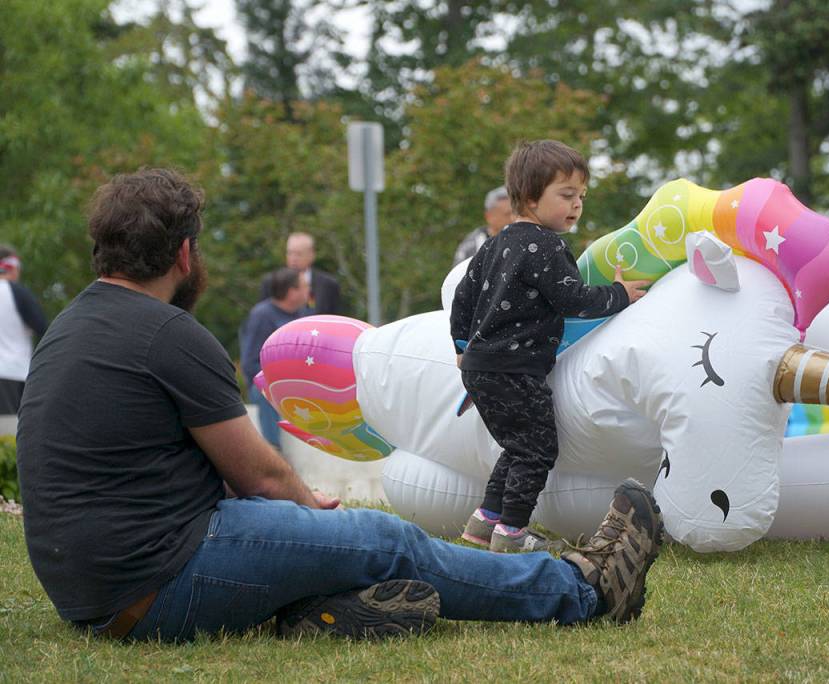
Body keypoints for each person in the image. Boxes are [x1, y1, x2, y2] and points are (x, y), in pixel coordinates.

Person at [16, 167, 664, 644]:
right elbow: (260, 476)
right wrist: (312, 506)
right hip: (158, 583)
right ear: (185, 253)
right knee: (382, 538)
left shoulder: (68, 330)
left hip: (94, 594)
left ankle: (330, 612)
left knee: (326, 544)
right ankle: (582, 590)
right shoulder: (169, 334)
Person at [450, 141, 651, 553]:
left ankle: (485, 522)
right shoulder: (545, 245)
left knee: (517, 446)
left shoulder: (495, 243)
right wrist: (619, 294)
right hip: (516, 368)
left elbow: (462, 297)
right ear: (529, 198)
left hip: (480, 366)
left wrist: (461, 344)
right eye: (566, 195)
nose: (577, 205)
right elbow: (573, 299)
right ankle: (512, 533)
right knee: (538, 450)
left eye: (582, 196)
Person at [241, 268, 311, 448]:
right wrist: (282, 378)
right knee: (266, 393)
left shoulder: (304, 315)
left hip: (303, 380)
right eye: (304, 286)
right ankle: (273, 449)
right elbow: (250, 363)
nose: (308, 290)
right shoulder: (262, 316)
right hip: (270, 383)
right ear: (291, 292)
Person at [0, 246, 48, 414]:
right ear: (13, 268)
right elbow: (43, 328)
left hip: (10, 373)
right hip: (13, 372)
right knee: (11, 427)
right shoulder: (18, 292)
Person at [260, 232, 343, 315]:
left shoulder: (328, 285)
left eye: (298, 254)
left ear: (311, 255)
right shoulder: (272, 282)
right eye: (290, 253)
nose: (293, 258)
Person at [452, 186, 515, 266]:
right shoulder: (472, 247)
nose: (513, 218)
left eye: (515, 213)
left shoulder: (523, 240)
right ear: (489, 216)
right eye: (507, 214)